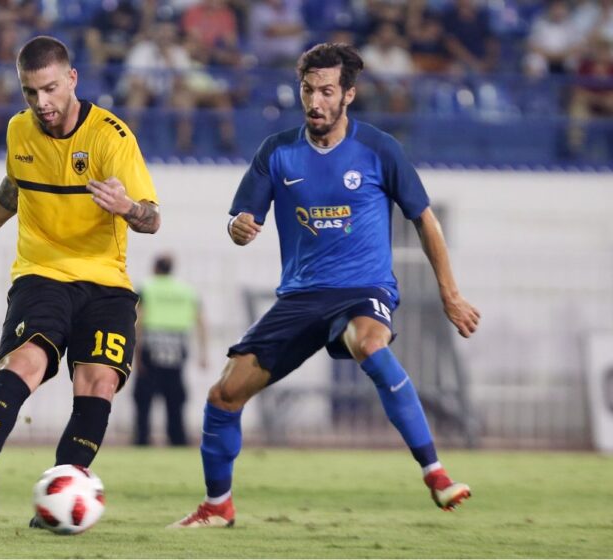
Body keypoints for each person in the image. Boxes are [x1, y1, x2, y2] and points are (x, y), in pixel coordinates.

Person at [170, 42, 480, 528]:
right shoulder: (277, 151)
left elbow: (424, 219)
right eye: (308, 90)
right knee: (223, 397)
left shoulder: (379, 148)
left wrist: (451, 294)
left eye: (327, 92)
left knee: (370, 344)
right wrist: (238, 228)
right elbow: (240, 218)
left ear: (349, 95)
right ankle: (217, 506)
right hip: (300, 297)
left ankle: (435, 473)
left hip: (363, 289)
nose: (315, 102)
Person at [0, 36, 160, 512]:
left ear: (72, 79)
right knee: (26, 360)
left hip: (106, 282)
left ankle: (63, 496)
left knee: (99, 382)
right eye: (30, 92)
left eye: (49, 89)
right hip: (41, 272)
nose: (41, 102)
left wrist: (127, 207)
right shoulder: (18, 130)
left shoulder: (111, 137)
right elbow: (15, 184)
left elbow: (152, 219)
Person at [133, 254, 208, 446]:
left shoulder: (147, 288)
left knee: (144, 395)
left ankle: (142, 439)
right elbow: (200, 322)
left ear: (155, 268)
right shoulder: (187, 291)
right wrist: (203, 353)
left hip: (152, 345)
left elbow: (139, 321)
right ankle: (177, 438)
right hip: (178, 345)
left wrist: (135, 353)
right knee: (175, 395)